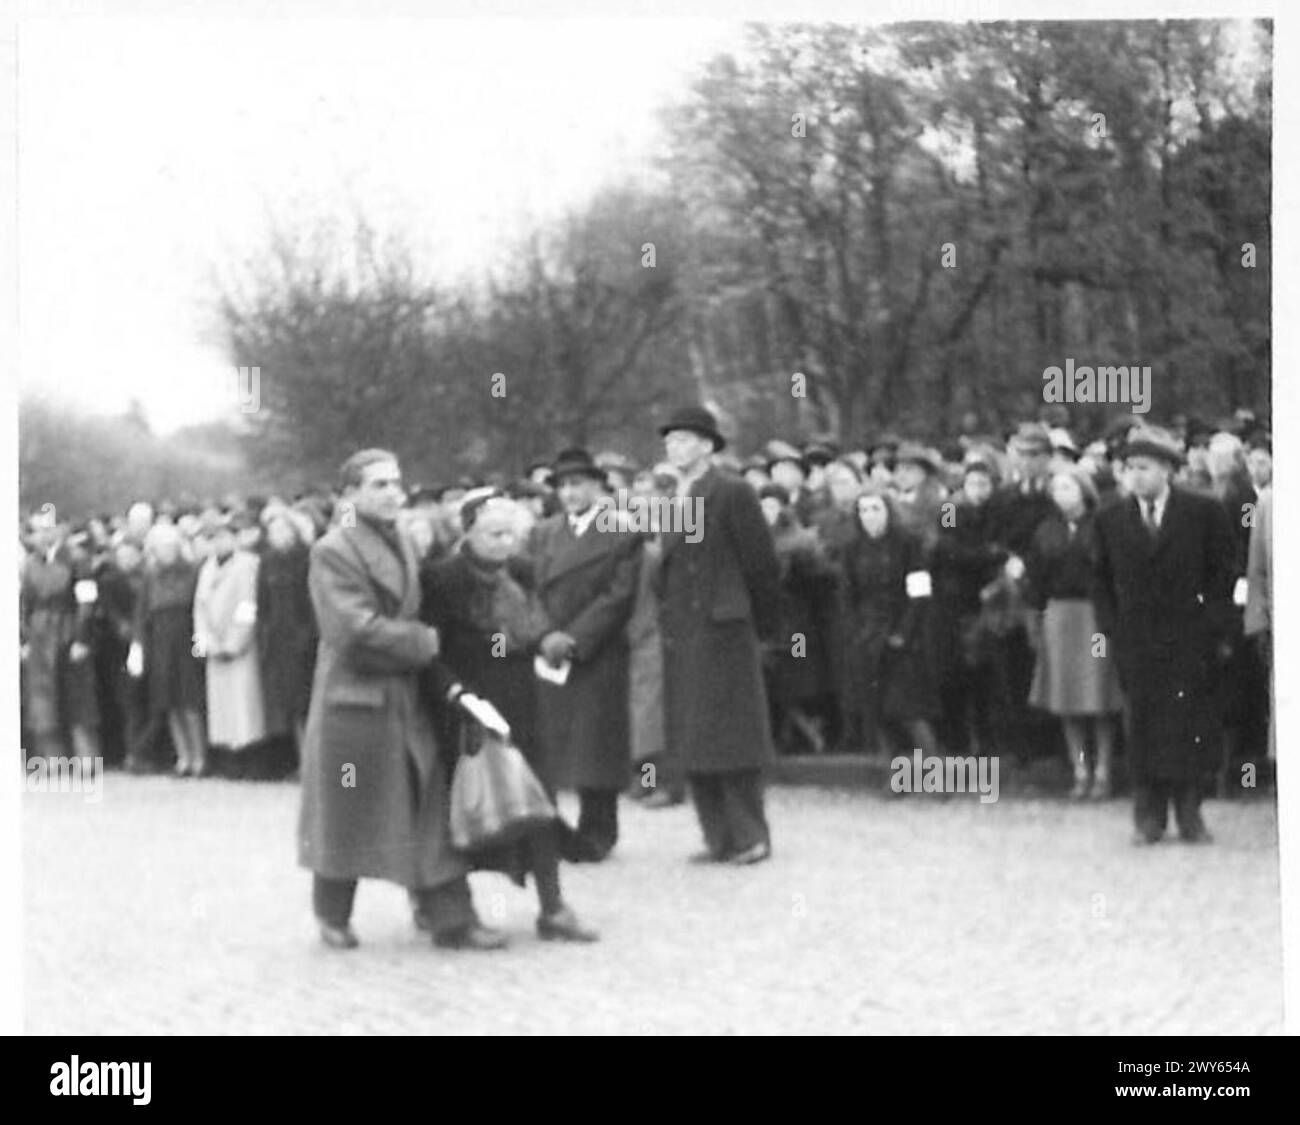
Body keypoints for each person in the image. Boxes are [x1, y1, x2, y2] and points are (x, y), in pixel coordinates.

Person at [298, 449, 505, 952]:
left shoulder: (402, 541)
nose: (394, 493)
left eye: (396, 483)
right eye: (379, 485)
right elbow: (351, 630)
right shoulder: (333, 550)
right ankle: (332, 912)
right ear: (349, 495)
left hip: (403, 695)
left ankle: (449, 915)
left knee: (425, 801)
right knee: (346, 813)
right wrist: (425, 642)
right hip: (355, 701)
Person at [422, 492, 599, 941]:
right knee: (462, 804)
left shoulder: (520, 572)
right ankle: (445, 908)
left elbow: (535, 624)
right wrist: (452, 691)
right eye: (493, 533)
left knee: (537, 799)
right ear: (468, 532)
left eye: (510, 533)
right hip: (466, 704)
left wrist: (550, 643)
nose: (504, 543)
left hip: (522, 697)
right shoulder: (441, 579)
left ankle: (553, 906)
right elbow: (429, 648)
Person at [1091, 426, 1237, 844]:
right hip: (1137, 642)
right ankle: (1147, 815)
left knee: (1188, 725)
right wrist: (1112, 629)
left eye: (1145, 467)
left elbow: (1222, 574)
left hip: (1190, 639)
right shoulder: (1110, 518)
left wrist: (1213, 626)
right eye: (1129, 468)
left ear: (1168, 470)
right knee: (1142, 727)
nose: (1135, 476)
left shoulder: (1202, 512)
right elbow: (1098, 579)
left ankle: (1189, 812)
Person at [654, 406, 781, 865]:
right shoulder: (671, 499)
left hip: (724, 628)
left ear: (708, 446)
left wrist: (764, 630)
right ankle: (718, 838)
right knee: (695, 737)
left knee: (733, 736)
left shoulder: (731, 492)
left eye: (685, 439)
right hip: (684, 633)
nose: (675, 447)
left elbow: (762, 565)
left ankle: (750, 835)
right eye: (670, 440)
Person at [529, 449, 641, 862]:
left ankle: (599, 830)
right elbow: (532, 590)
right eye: (564, 486)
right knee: (554, 743)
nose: (571, 493)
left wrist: (575, 639)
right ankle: (552, 830)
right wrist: (544, 634)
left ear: (598, 487)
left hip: (598, 650)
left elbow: (619, 595)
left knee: (597, 744)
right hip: (551, 651)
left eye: (579, 484)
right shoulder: (544, 533)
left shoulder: (620, 531)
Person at [1024, 468, 1123, 799]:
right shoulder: (1045, 531)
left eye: (1067, 487)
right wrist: (1035, 622)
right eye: (1056, 488)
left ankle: (1104, 772)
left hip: (1094, 617)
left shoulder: (1103, 526)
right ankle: (1080, 769)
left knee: (1098, 696)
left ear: (1083, 490)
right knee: (1066, 699)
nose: (1061, 494)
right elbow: (1035, 581)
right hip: (1060, 616)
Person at [837, 483, 943, 764]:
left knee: (910, 712)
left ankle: (935, 775)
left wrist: (903, 633)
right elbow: (847, 595)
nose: (869, 515)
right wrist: (857, 631)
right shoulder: (852, 549)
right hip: (868, 635)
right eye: (863, 510)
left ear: (888, 511)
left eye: (875, 509)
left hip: (903, 633)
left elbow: (919, 593)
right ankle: (895, 776)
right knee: (877, 711)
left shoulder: (908, 543)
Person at [129, 522, 207, 776]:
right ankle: (183, 758)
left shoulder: (193, 571)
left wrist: (200, 644)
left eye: (171, 546)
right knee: (169, 702)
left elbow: (201, 608)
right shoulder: (150, 576)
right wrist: (138, 646)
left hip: (188, 641)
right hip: (161, 644)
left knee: (191, 703)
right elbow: (142, 615)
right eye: (161, 547)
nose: (167, 551)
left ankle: (199, 758)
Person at [194, 516, 266, 775]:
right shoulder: (206, 569)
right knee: (221, 706)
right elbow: (199, 610)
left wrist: (236, 641)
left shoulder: (248, 565)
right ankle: (227, 757)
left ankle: (251, 758)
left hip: (239, 644)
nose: (219, 543)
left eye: (225, 537)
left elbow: (248, 605)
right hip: (215, 644)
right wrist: (206, 642)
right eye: (214, 538)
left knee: (244, 702)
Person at [256, 505, 318, 774]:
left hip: (304, 641)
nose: (278, 535)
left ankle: (314, 762)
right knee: (290, 705)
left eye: (282, 529)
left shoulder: (307, 559)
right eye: (273, 531)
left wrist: (308, 633)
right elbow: (262, 603)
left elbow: (314, 601)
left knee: (307, 704)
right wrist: (265, 632)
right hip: (279, 642)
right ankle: (301, 758)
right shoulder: (267, 561)